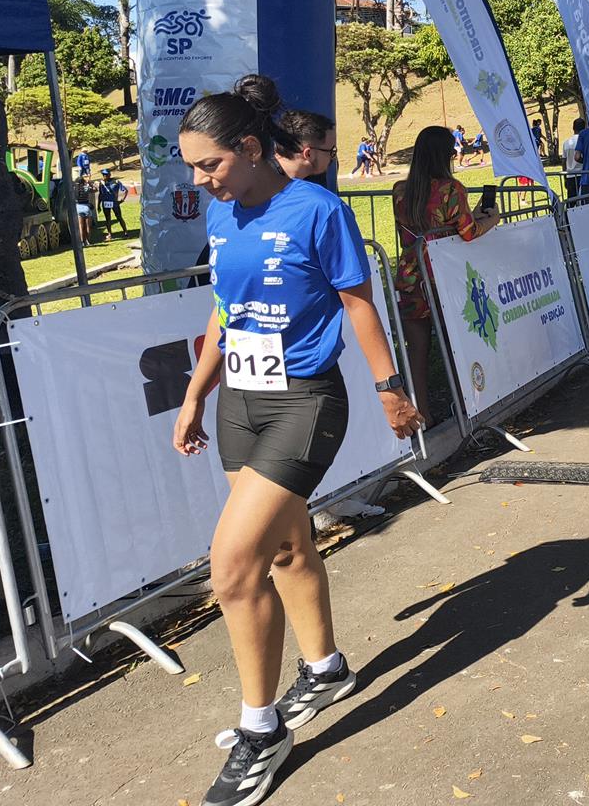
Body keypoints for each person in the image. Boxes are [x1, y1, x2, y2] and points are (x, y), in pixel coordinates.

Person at [172, 74, 423, 806]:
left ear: (251, 149)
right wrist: (195, 394)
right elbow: (225, 310)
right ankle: (326, 669)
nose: (200, 179)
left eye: (210, 164)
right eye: (192, 167)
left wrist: (389, 388)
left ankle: (261, 730)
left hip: (304, 403)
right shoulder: (221, 215)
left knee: (232, 569)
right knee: (285, 549)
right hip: (240, 400)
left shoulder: (318, 209)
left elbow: (357, 303)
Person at [392, 126, 499, 425]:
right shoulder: (451, 189)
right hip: (443, 276)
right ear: (443, 155)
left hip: (410, 276)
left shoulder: (400, 190)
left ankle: (421, 417)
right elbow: (468, 232)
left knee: (417, 353)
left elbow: (408, 235)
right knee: (456, 346)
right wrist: (491, 220)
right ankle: (467, 408)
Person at [275, 109, 338, 182]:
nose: (333, 157)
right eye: (332, 151)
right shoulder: (266, 183)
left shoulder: (271, 173)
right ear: (309, 154)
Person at [96, 168, 129, 235]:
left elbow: (125, 190)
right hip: (105, 203)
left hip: (114, 203)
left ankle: (125, 231)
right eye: (104, 175)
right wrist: (98, 205)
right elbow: (100, 194)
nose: (105, 176)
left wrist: (122, 200)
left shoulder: (116, 182)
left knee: (119, 217)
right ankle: (109, 234)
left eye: (106, 174)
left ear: (110, 174)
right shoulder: (101, 183)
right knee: (108, 219)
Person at [563, 118, 586, 203]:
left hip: (570, 175)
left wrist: (565, 177)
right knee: (584, 201)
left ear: (573, 128)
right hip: (583, 174)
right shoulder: (584, 141)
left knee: (571, 202)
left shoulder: (566, 142)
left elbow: (564, 161)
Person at [73, 172, 95, 243]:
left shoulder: (74, 189)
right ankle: (88, 240)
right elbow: (95, 189)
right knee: (88, 226)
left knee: (81, 226)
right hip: (86, 207)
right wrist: (89, 182)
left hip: (78, 207)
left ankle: (82, 241)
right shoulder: (86, 188)